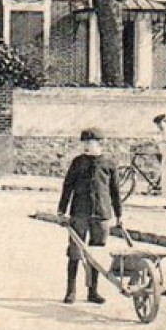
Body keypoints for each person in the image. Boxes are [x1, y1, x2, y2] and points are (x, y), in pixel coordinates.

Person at [57, 128, 123, 305]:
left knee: (97, 254)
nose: (85, 146)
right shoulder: (78, 162)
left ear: (99, 143)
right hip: (79, 212)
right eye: (84, 142)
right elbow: (67, 186)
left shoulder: (109, 162)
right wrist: (61, 210)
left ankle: (93, 292)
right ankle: (71, 291)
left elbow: (115, 191)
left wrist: (119, 215)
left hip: (101, 214)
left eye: (89, 142)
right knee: (74, 252)